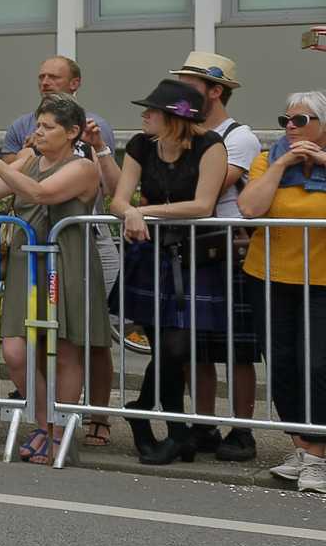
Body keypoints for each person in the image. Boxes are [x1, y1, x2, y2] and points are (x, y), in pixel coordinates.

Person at [0, 96, 119, 466]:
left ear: (73, 132)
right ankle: (45, 424)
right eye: (38, 125)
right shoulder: (28, 160)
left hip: (67, 261)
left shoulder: (83, 167)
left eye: (47, 127)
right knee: (15, 350)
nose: (37, 133)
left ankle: (60, 434)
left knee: (64, 350)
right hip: (26, 266)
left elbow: (42, 193)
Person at [110, 78, 229, 464]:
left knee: (177, 347)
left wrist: (139, 211)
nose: (144, 114)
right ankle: (177, 433)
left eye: (152, 110)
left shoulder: (210, 145)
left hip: (194, 254)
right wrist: (129, 210)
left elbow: (202, 205)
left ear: (175, 117)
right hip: (152, 253)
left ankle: (142, 412)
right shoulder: (141, 145)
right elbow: (117, 199)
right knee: (165, 346)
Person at [176, 51, 264, 459]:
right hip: (194, 246)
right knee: (198, 344)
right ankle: (203, 423)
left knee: (238, 348)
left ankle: (242, 429)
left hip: (231, 248)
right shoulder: (182, 132)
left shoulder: (239, 136)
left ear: (215, 90)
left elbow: (206, 187)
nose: (181, 91)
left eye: (191, 84)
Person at [239, 90, 326, 494]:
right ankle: (302, 447)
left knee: (318, 366)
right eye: (285, 120)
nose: (290, 127)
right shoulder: (269, 158)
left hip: (321, 281)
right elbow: (250, 208)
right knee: (281, 364)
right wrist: (283, 164)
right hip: (270, 276)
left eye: (301, 120)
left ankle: (318, 456)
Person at [0, 56, 83, 155]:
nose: (45, 82)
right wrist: (28, 151)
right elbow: (6, 168)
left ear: (74, 84)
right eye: (41, 77)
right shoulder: (20, 126)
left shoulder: (93, 128)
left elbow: (98, 168)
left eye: (53, 77)